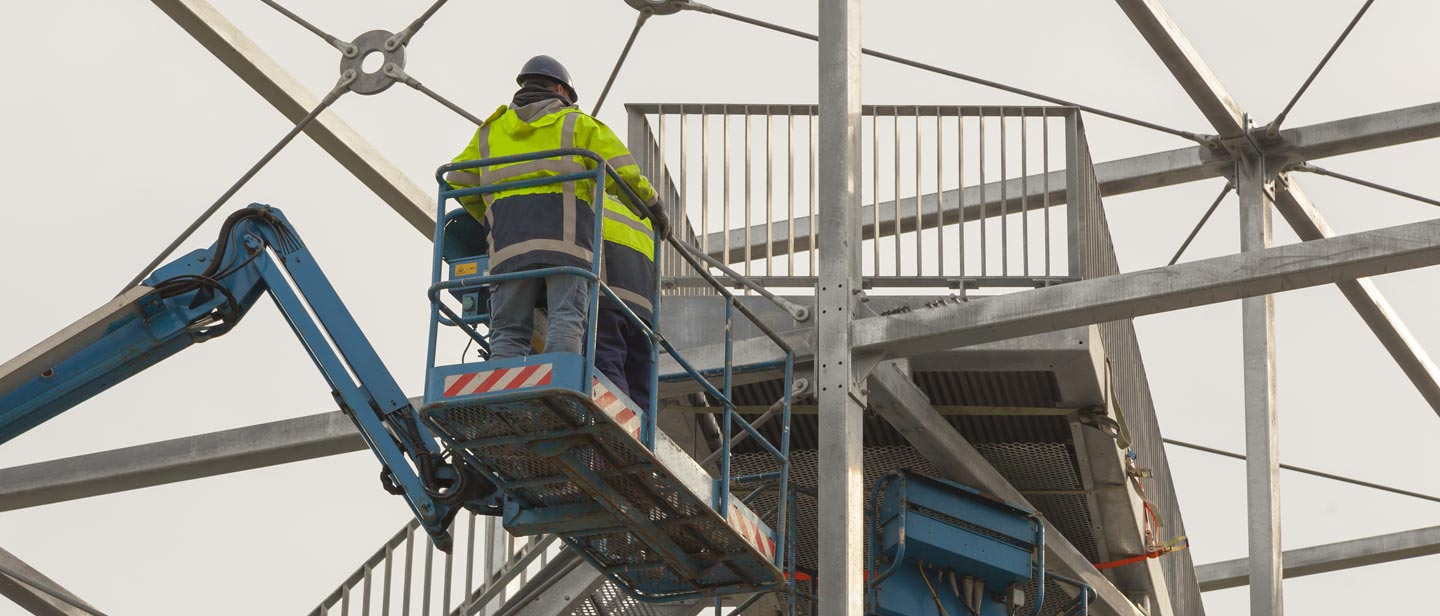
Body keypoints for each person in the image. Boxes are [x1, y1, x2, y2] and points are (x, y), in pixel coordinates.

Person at [445, 55, 670, 361]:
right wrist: (653, 208)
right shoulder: (577, 125)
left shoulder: (490, 132)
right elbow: (624, 174)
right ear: (560, 90)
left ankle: (507, 399)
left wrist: (492, 217)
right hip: (566, 246)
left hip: (509, 248)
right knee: (566, 320)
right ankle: (558, 387)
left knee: (508, 331)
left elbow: (457, 180)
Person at [596, 193, 662, 412]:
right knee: (639, 376)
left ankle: (621, 422)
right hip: (644, 308)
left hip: (609, 293)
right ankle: (643, 434)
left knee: (606, 360)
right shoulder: (642, 214)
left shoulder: (592, 194)